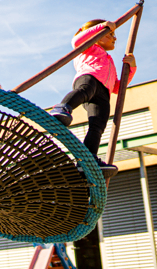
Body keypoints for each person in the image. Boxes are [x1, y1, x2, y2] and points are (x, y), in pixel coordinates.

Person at [49, 19, 136, 177]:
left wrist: (131, 69)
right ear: (97, 34)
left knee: (98, 125)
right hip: (89, 77)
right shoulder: (88, 47)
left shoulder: (109, 60)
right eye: (110, 34)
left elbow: (118, 87)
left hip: (104, 92)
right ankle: (63, 107)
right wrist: (102, 27)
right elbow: (76, 40)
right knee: (85, 90)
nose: (114, 38)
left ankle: (88, 159)